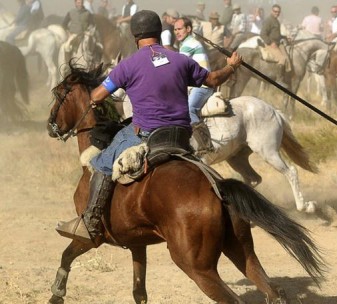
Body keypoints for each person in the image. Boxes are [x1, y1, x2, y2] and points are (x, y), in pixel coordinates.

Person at [56, 10, 242, 247]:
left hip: (146, 134)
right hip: (181, 135)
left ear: (135, 37)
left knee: (101, 162)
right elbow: (214, 80)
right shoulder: (181, 59)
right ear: (159, 33)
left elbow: (97, 96)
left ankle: (91, 222)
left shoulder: (128, 65)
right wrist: (232, 66)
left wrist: (103, 87)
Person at [174, 16, 216, 154]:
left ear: (188, 29)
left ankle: (205, 144)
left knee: (189, 109)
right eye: (175, 29)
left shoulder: (188, 44)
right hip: (196, 85)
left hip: (202, 86)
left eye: (180, 29)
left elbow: (178, 68)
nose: (177, 32)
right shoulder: (187, 43)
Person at [260, 4, 288, 70]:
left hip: (277, 44)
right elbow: (262, 34)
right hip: (270, 44)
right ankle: (279, 78)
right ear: (271, 11)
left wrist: (285, 38)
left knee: (287, 57)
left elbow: (276, 34)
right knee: (282, 59)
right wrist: (271, 43)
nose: (277, 13)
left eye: (278, 12)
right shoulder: (268, 20)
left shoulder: (276, 21)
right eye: (275, 11)